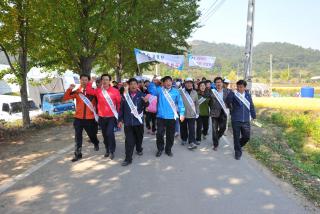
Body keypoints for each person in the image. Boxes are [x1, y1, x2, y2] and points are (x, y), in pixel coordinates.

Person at [63, 74, 99, 162]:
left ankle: (95, 142)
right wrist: (70, 89)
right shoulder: (77, 91)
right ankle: (78, 154)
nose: (84, 81)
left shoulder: (93, 91)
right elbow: (65, 98)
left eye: (86, 80)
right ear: (80, 81)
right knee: (77, 137)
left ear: (89, 81)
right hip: (78, 118)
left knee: (92, 135)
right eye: (82, 80)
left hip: (90, 118)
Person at [148, 76, 185, 157]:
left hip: (171, 117)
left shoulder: (176, 92)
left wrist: (182, 113)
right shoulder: (160, 90)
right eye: (166, 81)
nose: (168, 83)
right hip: (160, 117)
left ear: (172, 82)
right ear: (163, 83)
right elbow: (151, 90)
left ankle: (168, 149)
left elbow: (180, 104)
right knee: (159, 134)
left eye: (170, 81)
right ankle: (160, 149)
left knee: (170, 135)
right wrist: (153, 83)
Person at [86, 74, 121, 160]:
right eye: (103, 80)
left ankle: (112, 150)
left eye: (107, 79)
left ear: (109, 81)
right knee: (105, 135)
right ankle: (107, 149)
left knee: (110, 133)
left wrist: (119, 118)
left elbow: (119, 104)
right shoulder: (98, 91)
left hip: (111, 117)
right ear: (101, 81)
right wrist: (91, 81)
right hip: (101, 117)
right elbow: (89, 91)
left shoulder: (115, 91)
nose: (105, 81)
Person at [118, 78, 149, 166]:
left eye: (135, 84)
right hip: (128, 123)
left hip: (138, 122)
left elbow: (146, 106)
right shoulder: (125, 96)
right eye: (131, 84)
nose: (133, 85)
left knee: (139, 138)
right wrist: (120, 120)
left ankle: (139, 148)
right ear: (128, 85)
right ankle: (128, 158)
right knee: (129, 141)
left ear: (137, 85)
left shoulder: (141, 95)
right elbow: (121, 109)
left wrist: (146, 102)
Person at [226, 80, 256, 160]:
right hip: (236, 119)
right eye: (238, 87)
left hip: (246, 120)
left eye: (241, 87)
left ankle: (238, 145)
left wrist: (254, 116)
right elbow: (227, 102)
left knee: (246, 137)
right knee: (236, 136)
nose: (239, 88)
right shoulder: (234, 94)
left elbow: (251, 106)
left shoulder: (248, 95)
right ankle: (238, 152)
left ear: (244, 87)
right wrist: (231, 94)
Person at [206, 77, 229, 151]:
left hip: (223, 112)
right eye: (217, 82)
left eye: (220, 82)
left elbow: (230, 101)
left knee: (223, 128)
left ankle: (217, 137)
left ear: (222, 83)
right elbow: (206, 97)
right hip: (214, 113)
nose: (218, 83)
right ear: (215, 84)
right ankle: (215, 144)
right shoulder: (211, 91)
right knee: (214, 129)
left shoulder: (227, 91)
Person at [179, 77, 199, 150]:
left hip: (192, 114)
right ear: (185, 84)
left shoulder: (195, 92)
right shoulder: (180, 91)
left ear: (192, 84)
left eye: (190, 83)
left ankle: (192, 142)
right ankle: (184, 139)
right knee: (183, 127)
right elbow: (177, 101)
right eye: (187, 83)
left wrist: (197, 112)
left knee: (192, 129)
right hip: (182, 114)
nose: (189, 84)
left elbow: (197, 103)